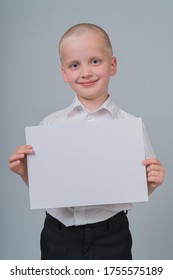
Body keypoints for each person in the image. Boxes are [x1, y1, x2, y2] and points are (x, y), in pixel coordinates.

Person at [9, 23, 164, 260]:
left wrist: (152, 182)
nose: (86, 72)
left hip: (112, 234)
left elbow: (138, 185)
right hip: (58, 235)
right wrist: (24, 173)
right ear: (64, 73)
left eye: (95, 61)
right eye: (74, 65)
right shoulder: (50, 125)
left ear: (112, 65)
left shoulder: (130, 126)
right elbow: (47, 189)